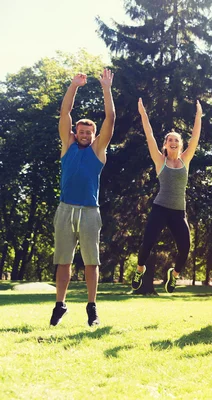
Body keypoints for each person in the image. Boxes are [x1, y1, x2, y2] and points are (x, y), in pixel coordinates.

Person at [50, 69, 115, 326]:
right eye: (81, 131)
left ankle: (92, 307)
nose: (85, 135)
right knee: (63, 261)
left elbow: (110, 117)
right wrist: (74, 86)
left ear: (94, 135)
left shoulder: (98, 150)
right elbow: (65, 112)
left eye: (90, 132)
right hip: (65, 210)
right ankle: (60, 305)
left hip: (89, 211)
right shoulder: (68, 146)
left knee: (91, 262)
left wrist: (106, 88)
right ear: (75, 132)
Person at [131, 99, 202, 293]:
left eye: (176, 140)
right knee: (148, 243)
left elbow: (195, 137)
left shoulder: (185, 160)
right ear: (165, 144)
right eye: (170, 140)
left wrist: (198, 116)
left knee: (185, 248)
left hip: (179, 212)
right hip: (160, 208)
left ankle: (174, 275)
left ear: (181, 145)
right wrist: (143, 114)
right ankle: (140, 270)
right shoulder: (159, 160)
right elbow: (149, 135)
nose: (173, 142)